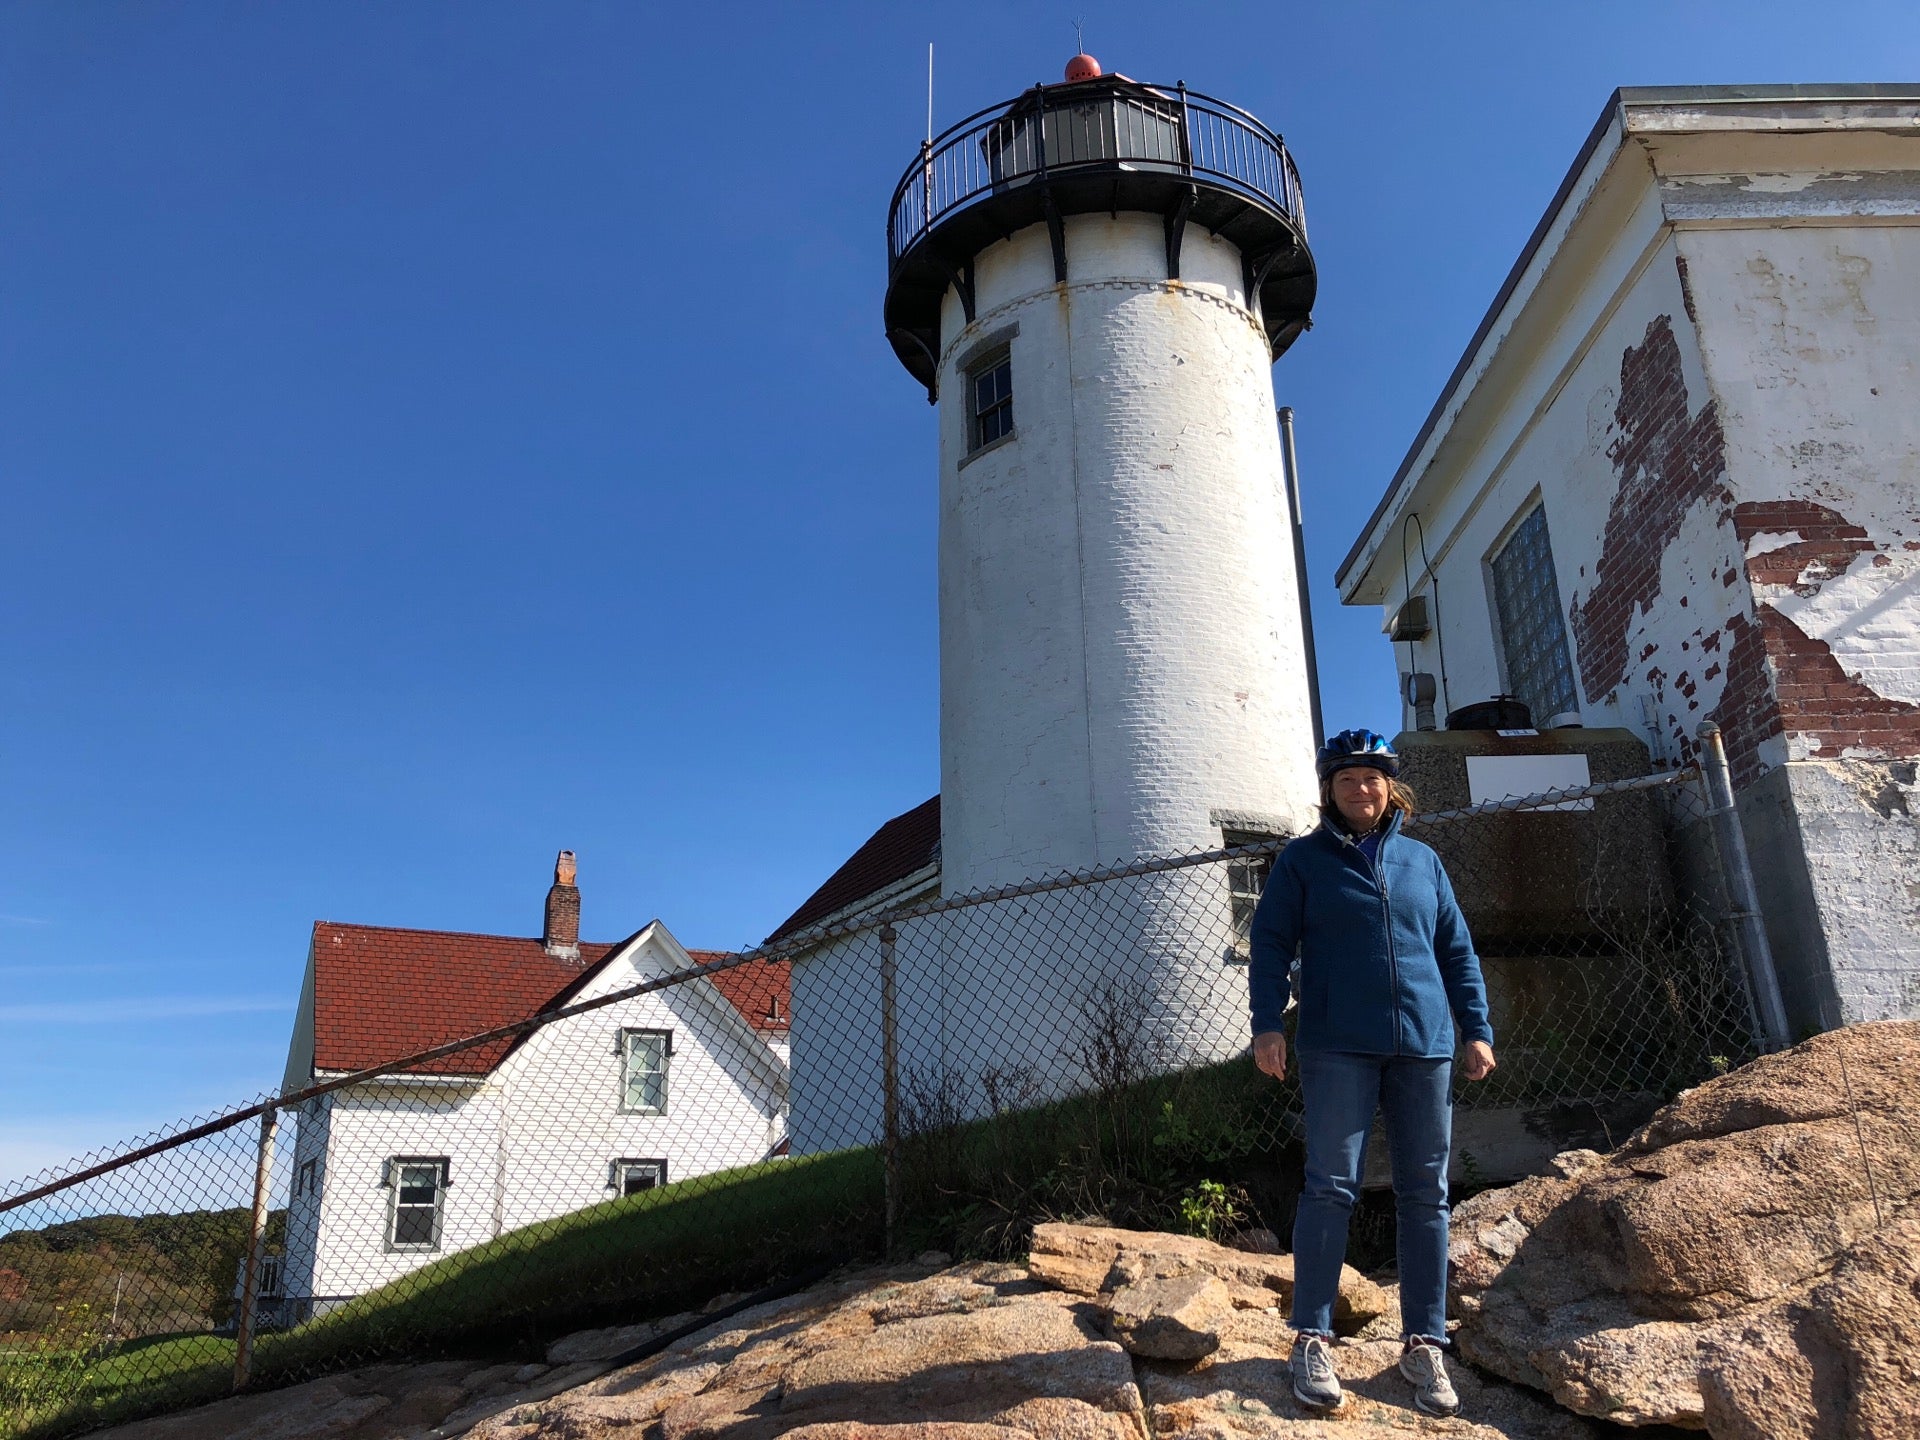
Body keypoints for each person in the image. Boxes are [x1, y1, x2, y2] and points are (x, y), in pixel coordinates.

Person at [1247, 728, 1496, 1418]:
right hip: (1335, 1043)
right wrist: (1267, 1023)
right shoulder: (1301, 862)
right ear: (1329, 789)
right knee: (1330, 1185)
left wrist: (1476, 1028)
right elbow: (1268, 943)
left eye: (1375, 777)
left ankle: (1424, 1341)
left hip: (1424, 1042)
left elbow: (1457, 951)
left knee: (1426, 1190)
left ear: (1392, 788)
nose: (1364, 789)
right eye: (1349, 778)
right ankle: (1311, 1336)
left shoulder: (1423, 862)